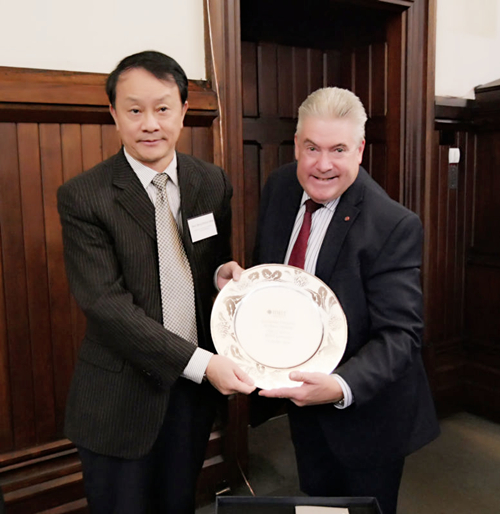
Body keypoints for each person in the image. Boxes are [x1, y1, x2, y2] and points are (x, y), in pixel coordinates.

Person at [57, 50, 255, 514]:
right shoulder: (85, 196)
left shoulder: (211, 182)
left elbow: (204, 261)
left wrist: (221, 274)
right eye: (134, 110)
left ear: (183, 111)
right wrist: (203, 363)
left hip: (191, 397)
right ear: (114, 113)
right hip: (120, 397)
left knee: (178, 503)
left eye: (163, 108)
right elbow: (106, 306)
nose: (150, 124)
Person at [252, 87, 440, 514]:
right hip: (304, 408)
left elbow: (401, 337)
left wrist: (339, 387)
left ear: (360, 149)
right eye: (312, 148)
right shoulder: (280, 187)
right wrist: (244, 281)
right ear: (296, 145)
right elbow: (276, 275)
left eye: (338, 149)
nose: (322, 164)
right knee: (318, 504)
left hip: (368, 417)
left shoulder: (392, 224)